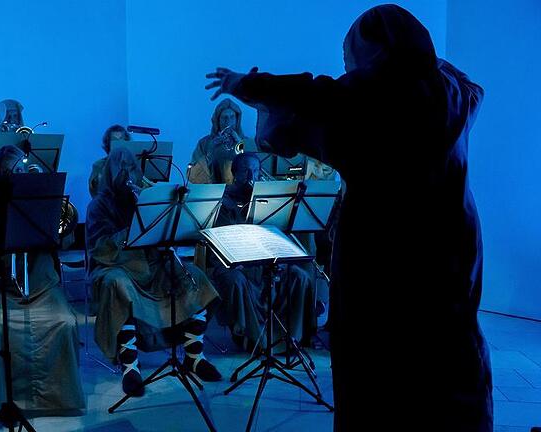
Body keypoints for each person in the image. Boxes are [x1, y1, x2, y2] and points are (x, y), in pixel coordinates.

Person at [205, 4, 491, 431]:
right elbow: (473, 85)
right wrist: (425, 59)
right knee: (450, 360)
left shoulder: (364, 101)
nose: (345, 66)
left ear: (372, 52)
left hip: (382, 261)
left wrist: (245, 84)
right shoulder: (455, 95)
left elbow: (298, 106)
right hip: (451, 255)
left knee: (378, 371)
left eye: (349, 55)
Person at [86, 147, 222, 397]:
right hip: (115, 266)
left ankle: (194, 355)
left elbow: (165, 236)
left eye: (132, 168)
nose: (128, 174)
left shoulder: (146, 198)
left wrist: (160, 207)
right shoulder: (99, 205)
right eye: (121, 168)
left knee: (196, 279)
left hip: (150, 264)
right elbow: (100, 248)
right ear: (111, 171)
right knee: (118, 286)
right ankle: (130, 366)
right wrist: (134, 227)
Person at [0, 145, 85, 419]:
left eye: (24, 170)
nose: (20, 175)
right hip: (2, 287)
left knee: (65, 322)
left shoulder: (43, 202)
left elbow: (66, 239)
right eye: (13, 172)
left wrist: (49, 206)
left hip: (42, 286)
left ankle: (57, 399)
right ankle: (3, 400)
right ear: (0, 176)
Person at [209, 152, 315, 349]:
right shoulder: (223, 201)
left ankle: (289, 338)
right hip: (236, 263)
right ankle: (252, 337)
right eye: (245, 171)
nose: (252, 176)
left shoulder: (269, 200)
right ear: (234, 173)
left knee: (300, 277)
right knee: (236, 280)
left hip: (264, 261)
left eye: (256, 171)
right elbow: (223, 243)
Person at [188, 98, 254, 184]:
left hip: (240, 194)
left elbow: (254, 174)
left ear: (237, 120)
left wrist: (240, 145)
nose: (228, 122)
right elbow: (193, 177)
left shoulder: (247, 142)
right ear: (217, 120)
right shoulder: (204, 143)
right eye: (224, 117)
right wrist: (209, 153)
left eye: (232, 117)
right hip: (212, 194)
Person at [89, 124, 131, 197]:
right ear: (108, 144)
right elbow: (95, 192)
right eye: (115, 141)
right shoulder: (99, 164)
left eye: (122, 140)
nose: (119, 145)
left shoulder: (133, 164)